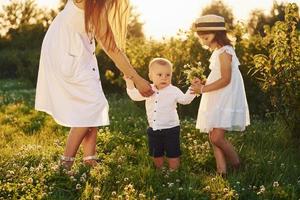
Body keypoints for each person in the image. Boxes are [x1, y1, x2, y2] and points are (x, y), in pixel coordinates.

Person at [35, 0, 153, 170]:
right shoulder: (88, 3)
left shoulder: (96, 4)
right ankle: (65, 163)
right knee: (92, 105)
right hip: (67, 55)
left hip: (74, 51)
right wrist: (138, 79)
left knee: (93, 102)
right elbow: (111, 48)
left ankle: (89, 157)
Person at [190, 15, 250, 175]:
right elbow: (218, 75)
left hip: (225, 96)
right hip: (218, 95)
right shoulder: (218, 52)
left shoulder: (225, 51)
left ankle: (237, 164)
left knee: (217, 137)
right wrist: (202, 82)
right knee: (213, 135)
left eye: (206, 36)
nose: (202, 39)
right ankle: (221, 172)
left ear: (217, 33)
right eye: (200, 36)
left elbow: (225, 79)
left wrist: (203, 89)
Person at [124, 58, 195, 170]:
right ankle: (160, 170)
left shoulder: (173, 90)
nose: (164, 78)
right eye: (160, 74)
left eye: (168, 75)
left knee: (173, 153)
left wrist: (193, 88)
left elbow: (185, 100)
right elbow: (135, 96)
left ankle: (174, 172)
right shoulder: (148, 89)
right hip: (154, 128)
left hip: (171, 128)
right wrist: (129, 83)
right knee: (156, 153)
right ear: (151, 76)